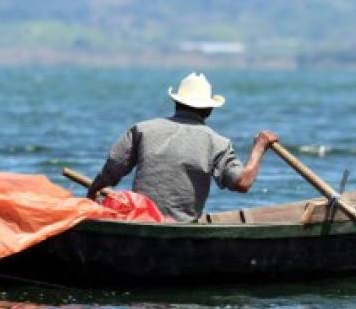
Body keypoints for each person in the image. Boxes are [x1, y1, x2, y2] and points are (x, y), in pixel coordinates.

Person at [87, 72, 279, 222]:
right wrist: (259, 148)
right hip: (179, 226)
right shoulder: (218, 143)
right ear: (210, 109)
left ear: (176, 102)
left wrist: (89, 200)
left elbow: (109, 173)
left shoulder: (142, 130)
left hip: (139, 221)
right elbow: (242, 183)